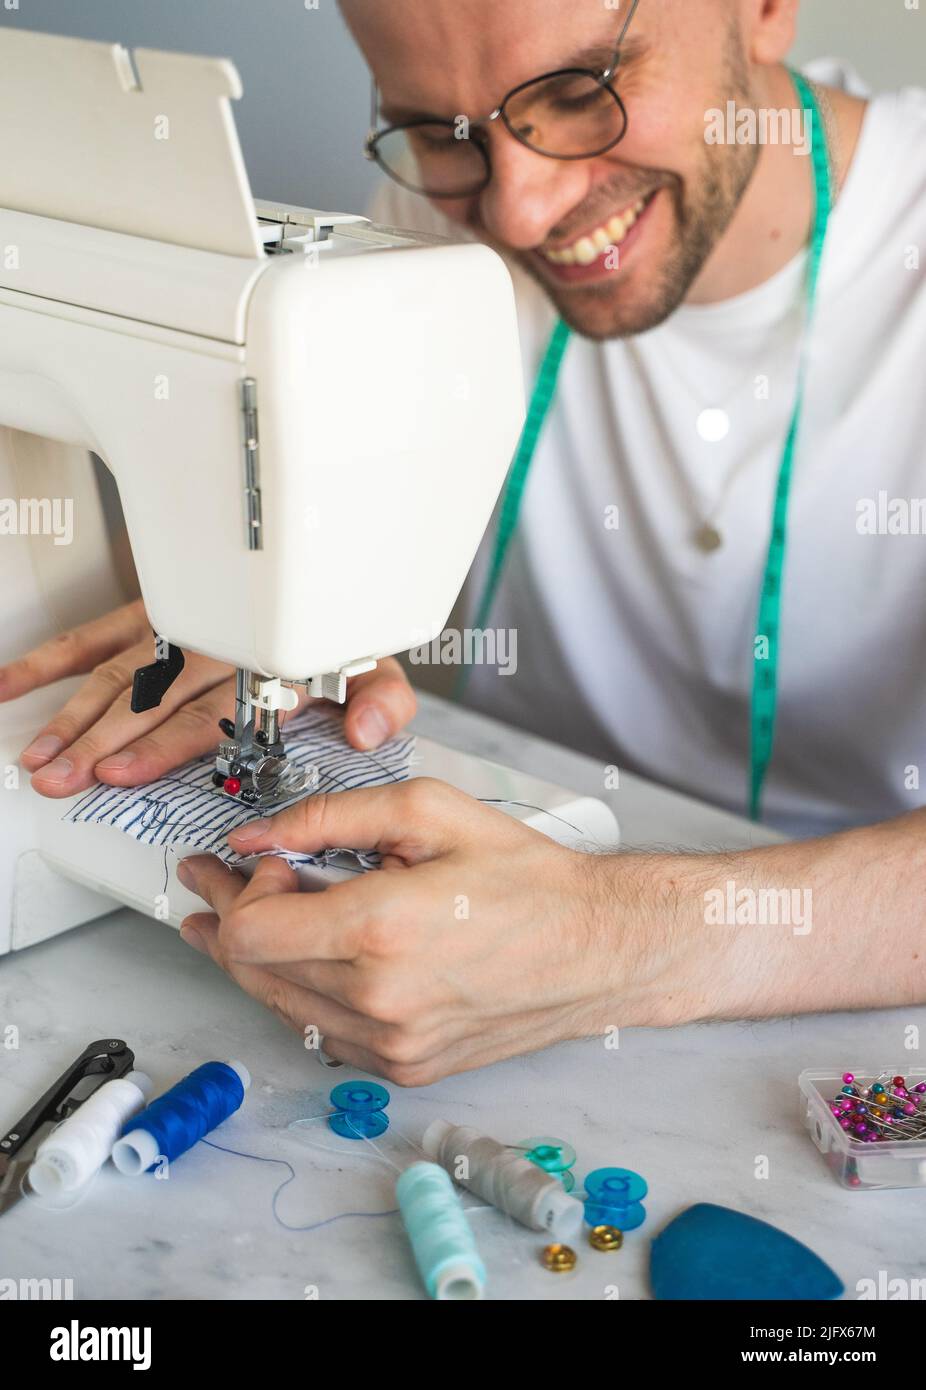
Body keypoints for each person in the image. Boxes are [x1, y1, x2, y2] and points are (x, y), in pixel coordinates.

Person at [4, 0, 924, 1083]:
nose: (519, 208)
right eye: (443, 133)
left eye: (581, 91)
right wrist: (272, 624)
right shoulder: (429, 222)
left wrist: (611, 937)